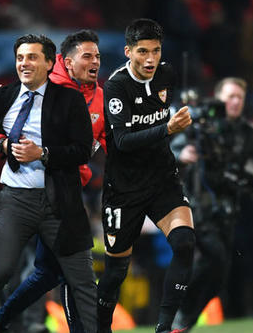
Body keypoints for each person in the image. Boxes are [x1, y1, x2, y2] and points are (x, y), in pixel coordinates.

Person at [0, 34, 97, 333]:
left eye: (32, 57)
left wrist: (42, 154)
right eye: (20, 58)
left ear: (49, 63)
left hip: (60, 202)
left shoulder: (69, 100)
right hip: (15, 200)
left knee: (82, 280)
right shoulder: (3, 96)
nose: (24, 63)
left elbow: (83, 151)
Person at [171, 77, 253, 331]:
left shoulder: (247, 133)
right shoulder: (200, 125)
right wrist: (181, 155)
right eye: (230, 96)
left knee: (220, 275)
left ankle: (184, 322)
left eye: (240, 97)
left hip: (227, 208)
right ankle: (179, 309)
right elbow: (171, 150)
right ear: (218, 99)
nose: (236, 102)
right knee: (214, 257)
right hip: (197, 206)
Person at [97, 18, 194, 333]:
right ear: (128, 52)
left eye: (156, 50)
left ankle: (165, 327)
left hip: (162, 179)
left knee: (184, 244)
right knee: (115, 272)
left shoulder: (167, 75)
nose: (150, 59)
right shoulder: (116, 86)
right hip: (124, 188)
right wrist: (167, 128)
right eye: (143, 51)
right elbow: (122, 142)